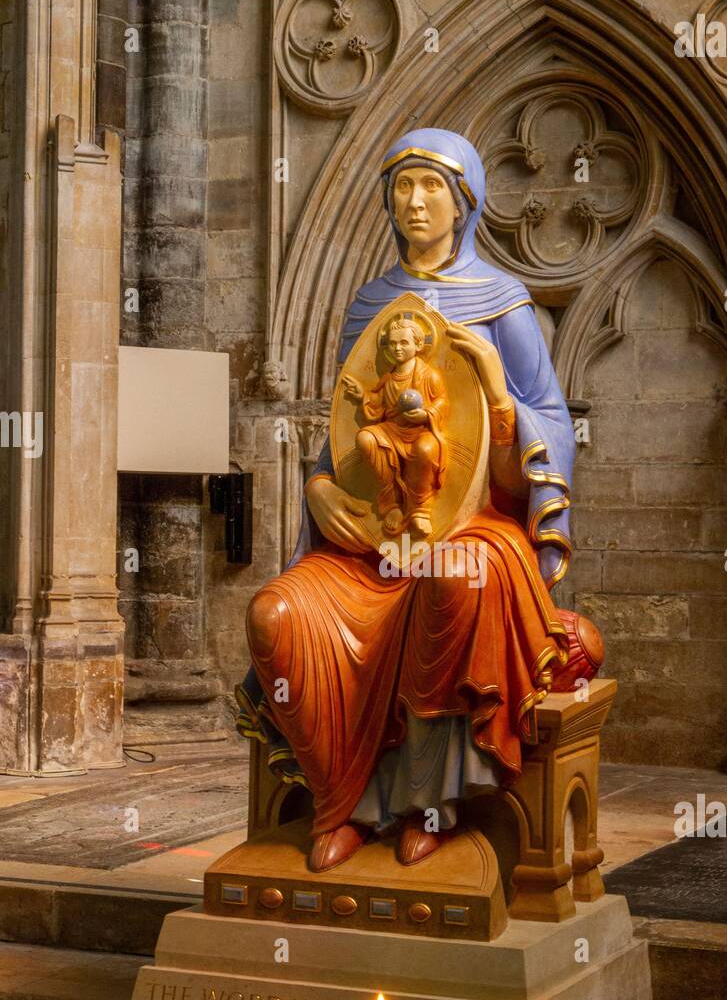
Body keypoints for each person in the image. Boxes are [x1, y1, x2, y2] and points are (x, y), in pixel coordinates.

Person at [237, 128, 583, 873]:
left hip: (475, 525)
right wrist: (321, 486)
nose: (416, 201)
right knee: (275, 615)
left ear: (464, 203)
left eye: (432, 187)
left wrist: (494, 386)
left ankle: (428, 803)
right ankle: (339, 803)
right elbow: (346, 430)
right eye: (402, 186)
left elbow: (549, 439)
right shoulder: (369, 306)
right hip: (372, 539)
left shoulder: (504, 304)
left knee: (451, 580)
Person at [344, 314, 448, 537]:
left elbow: (441, 402)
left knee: (426, 449)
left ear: (418, 344)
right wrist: (363, 394)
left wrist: (426, 414)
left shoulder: (429, 375)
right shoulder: (389, 379)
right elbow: (378, 403)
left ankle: (419, 509)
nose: (397, 348)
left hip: (420, 431)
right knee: (365, 438)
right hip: (391, 430)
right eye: (392, 343)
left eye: (404, 343)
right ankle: (392, 504)